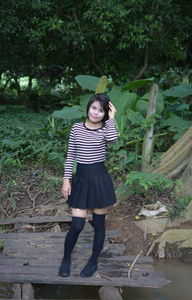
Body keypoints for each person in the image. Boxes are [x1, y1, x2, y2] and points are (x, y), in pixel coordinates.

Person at [58, 93, 118, 278]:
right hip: (82, 180)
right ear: (88, 108)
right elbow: (71, 156)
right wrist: (66, 180)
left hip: (100, 179)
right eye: (94, 108)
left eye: (101, 110)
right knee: (77, 225)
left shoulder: (105, 129)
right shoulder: (76, 128)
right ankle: (66, 259)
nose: (96, 113)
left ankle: (93, 262)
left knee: (99, 224)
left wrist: (111, 118)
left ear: (105, 112)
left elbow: (113, 139)